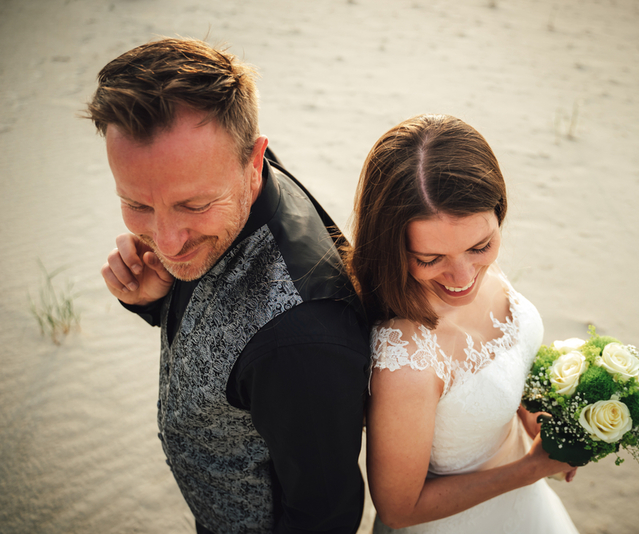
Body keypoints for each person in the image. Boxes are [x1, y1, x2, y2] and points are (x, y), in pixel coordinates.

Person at [87, 38, 370, 534]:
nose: (168, 243)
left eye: (194, 206)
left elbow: (323, 517)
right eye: (137, 205)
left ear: (254, 159)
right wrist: (159, 300)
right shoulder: (231, 177)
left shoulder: (301, 342)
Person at [346, 114, 580, 533]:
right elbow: (400, 509)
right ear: (392, 247)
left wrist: (531, 412)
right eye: (430, 259)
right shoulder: (407, 363)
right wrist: (531, 467)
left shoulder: (469, 262)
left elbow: (502, 364)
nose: (463, 277)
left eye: (481, 246)